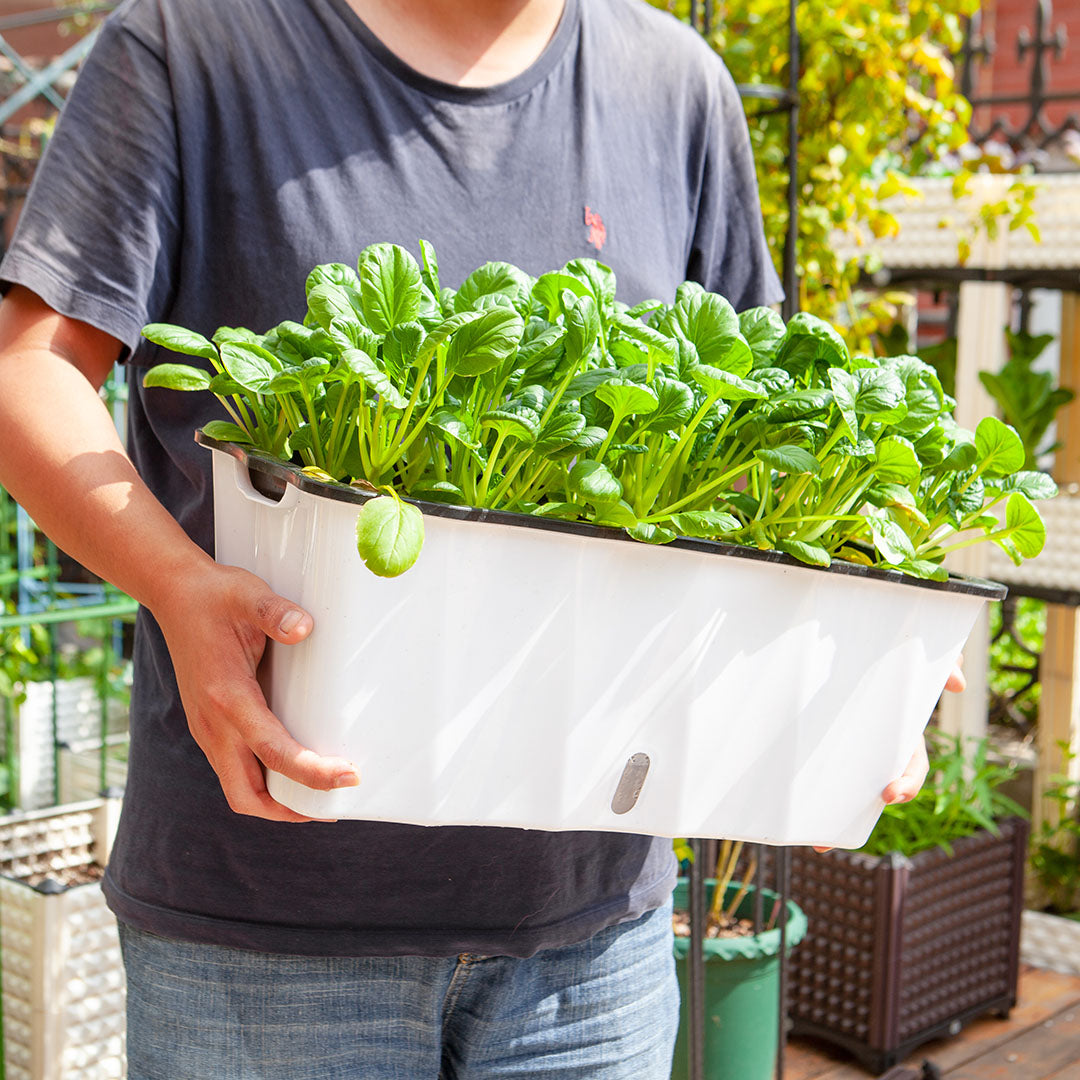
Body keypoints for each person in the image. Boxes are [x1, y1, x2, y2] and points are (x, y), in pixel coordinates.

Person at [0, 1, 950, 1076]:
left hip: (592, 939)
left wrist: (859, 645)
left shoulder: (674, 83)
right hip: (263, 925)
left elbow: (769, 421)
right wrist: (176, 584)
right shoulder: (192, 43)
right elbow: (31, 368)